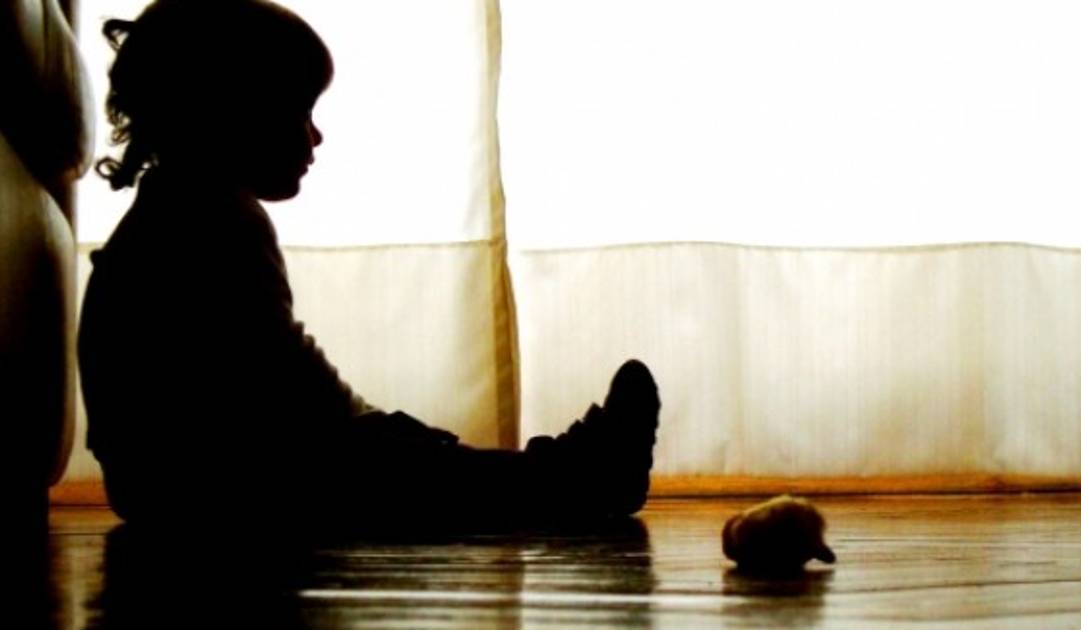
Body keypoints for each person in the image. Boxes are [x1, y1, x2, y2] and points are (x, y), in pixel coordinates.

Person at [77, 0, 660, 536]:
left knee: (409, 460)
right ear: (232, 112)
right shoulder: (215, 216)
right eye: (299, 111)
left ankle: (561, 473)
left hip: (157, 485)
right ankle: (574, 478)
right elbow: (288, 385)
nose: (316, 135)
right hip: (220, 486)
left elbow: (268, 376)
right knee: (419, 475)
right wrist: (379, 435)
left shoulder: (171, 212)